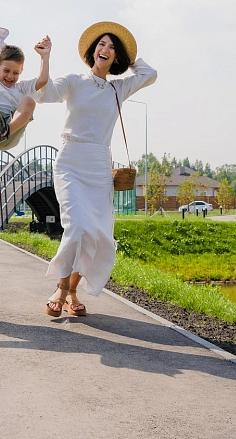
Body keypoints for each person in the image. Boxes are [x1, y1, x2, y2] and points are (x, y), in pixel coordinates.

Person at [36, 22, 157, 317]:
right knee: (76, 226)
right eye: (102, 44)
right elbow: (43, 94)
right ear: (93, 50)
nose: (106, 49)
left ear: (117, 59)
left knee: (99, 234)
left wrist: (131, 57)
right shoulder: (75, 80)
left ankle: (73, 290)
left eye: (113, 48)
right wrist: (45, 59)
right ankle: (62, 289)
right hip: (71, 160)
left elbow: (149, 74)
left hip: (100, 164)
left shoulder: (118, 88)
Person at [0, 7, 51, 150]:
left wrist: (45, 56)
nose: (10, 76)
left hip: (9, 133)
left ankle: (5, 130)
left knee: (29, 101)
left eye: (15, 73)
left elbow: (42, 80)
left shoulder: (22, 87)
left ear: (21, 72)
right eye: (6, 71)